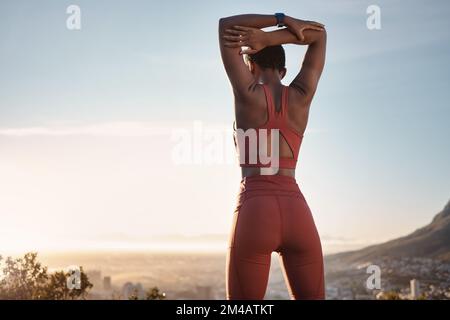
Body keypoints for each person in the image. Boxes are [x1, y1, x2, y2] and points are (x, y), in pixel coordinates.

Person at [218, 13, 327, 299]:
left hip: (256, 210)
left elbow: (225, 26)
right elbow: (319, 35)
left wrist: (277, 20)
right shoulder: (302, 95)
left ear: (250, 64)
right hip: (297, 211)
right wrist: (272, 36)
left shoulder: (247, 93)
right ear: (285, 70)